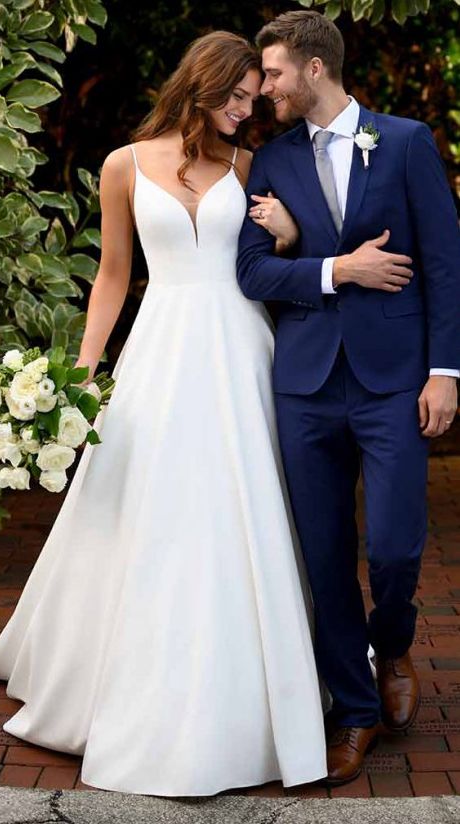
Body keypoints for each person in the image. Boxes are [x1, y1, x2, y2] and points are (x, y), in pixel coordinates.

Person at [0, 32, 328, 796]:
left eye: (253, 100)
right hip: (160, 349)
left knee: (243, 506)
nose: (243, 109)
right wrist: (84, 372)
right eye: (235, 95)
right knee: (142, 505)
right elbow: (114, 277)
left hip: (240, 352)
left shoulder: (251, 167)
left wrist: (288, 236)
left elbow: (273, 261)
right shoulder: (124, 166)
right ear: (202, 82)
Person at [238, 10, 460, 786]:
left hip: (395, 380)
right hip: (303, 385)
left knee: (395, 545)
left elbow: (443, 262)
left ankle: (392, 641)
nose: (262, 88)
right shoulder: (267, 161)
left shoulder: (404, 142)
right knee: (324, 554)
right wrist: (334, 268)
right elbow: (253, 273)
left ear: (314, 69)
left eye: (271, 73)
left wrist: (446, 371)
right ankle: (356, 708)